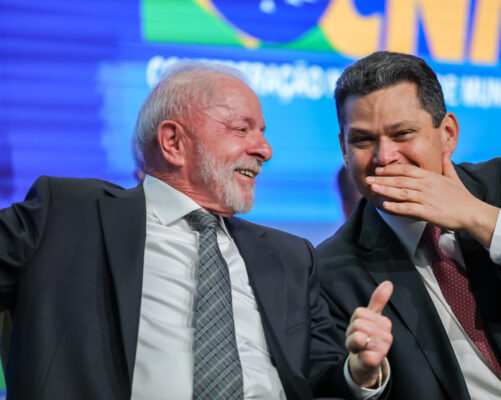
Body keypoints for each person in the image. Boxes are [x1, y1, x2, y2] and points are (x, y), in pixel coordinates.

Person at [0, 62, 394, 399]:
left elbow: (322, 380)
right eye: (241, 129)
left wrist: (358, 373)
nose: (265, 150)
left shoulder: (291, 257)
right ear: (173, 142)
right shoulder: (68, 214)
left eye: (262, 132)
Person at [317, 51, 501, 400]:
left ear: (448, 134)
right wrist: (363, 378)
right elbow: (329, 382)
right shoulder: (331, 269)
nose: (384, 157)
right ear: (344, 149)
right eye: (363, 140)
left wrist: (481, 219)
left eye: (403, 133)